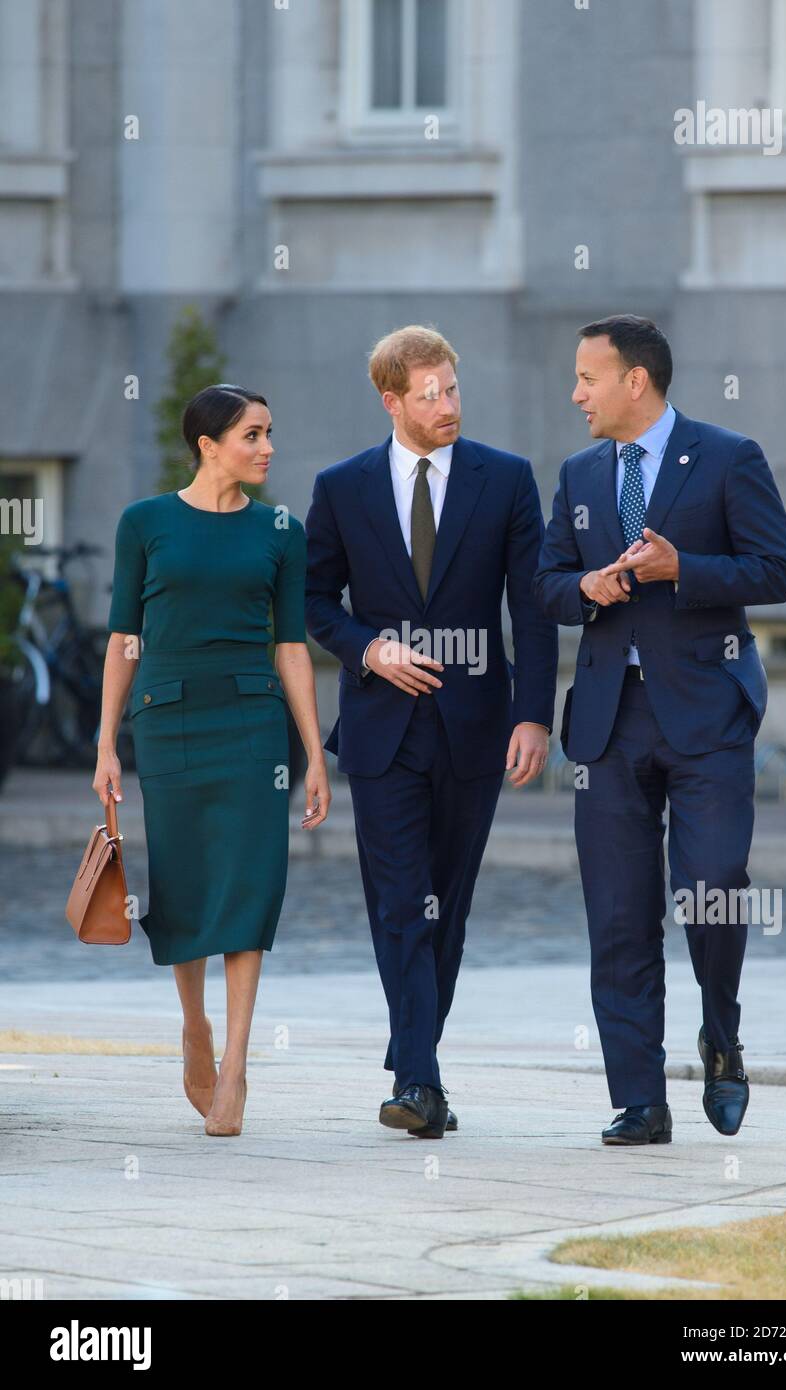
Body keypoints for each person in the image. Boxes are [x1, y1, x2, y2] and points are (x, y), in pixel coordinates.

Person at [533, 315, 786, 1146]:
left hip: (707, 716)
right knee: (617, 915)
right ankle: (639, 1099)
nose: (575, 393)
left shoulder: (728, 457)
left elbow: (776, 571)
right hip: (609, 725)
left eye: (587, 377)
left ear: (634, 381)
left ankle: (721, 1035)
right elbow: (545, 584)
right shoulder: (578, 473)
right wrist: (587, 587)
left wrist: (684, 568)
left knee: (713, 883)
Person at [305, 325, 558, 1138]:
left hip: (476, 727)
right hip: (382, 732)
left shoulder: (507, 479)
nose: (448, 405)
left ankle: (418, 1066)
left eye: (452, 389)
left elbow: (535, 606)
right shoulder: (341, 487)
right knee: (399, 905)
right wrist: (368, 648)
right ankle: (419, 1078)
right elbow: (309, 602)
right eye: (430, 395)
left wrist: (532, 712)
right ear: (392, 401)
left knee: (445, 904)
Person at [93, 384, 331, 1137]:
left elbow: (291, 644)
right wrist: (104, 742)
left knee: (251, 883)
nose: (267, 448)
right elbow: (124, 638)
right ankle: (194, 1026)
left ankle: (236, 1066)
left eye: (269, 433)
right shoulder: (145, 522)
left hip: (254, 721)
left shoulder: (282, 530)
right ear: (209, 444)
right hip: (168, 719)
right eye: (253, 435)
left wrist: (315, 753)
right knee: (189, 882)